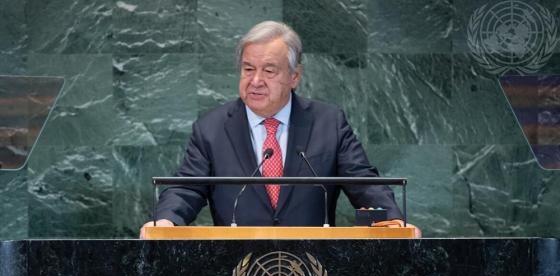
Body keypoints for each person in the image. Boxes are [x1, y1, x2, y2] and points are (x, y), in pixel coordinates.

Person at [140, 21, 420, 237]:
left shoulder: (328, 123)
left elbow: (363, 181)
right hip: (234, 272)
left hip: (314, 270)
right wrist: (166, 221)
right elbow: (186, 188)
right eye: (248, 69)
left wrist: (393, 220)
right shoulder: (211, 128)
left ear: (294, 76)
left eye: (269, 71)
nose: (256, 80)